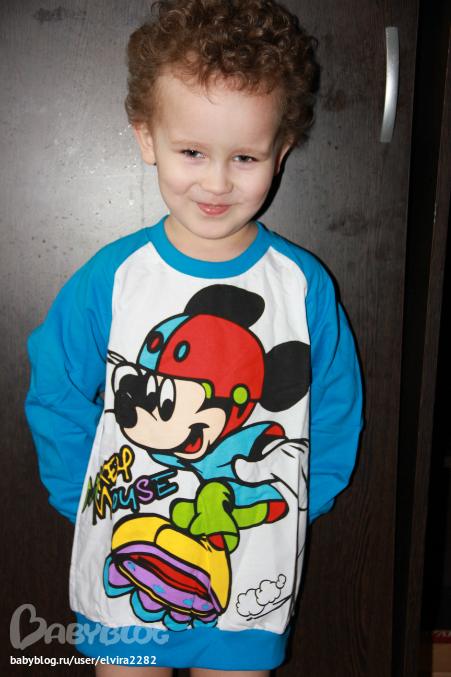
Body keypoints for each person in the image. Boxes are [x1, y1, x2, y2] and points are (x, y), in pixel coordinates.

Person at [25, 1, 363, 676]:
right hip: (121, 557)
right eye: (191, 152)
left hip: (250, 577)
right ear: (147, 138)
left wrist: (299, 505)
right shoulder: (115, 277)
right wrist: (81, 496)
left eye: (244, 156)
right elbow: (56, 389)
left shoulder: (300, 286)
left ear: (280, 152)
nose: (216, 181)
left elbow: (335, 408)